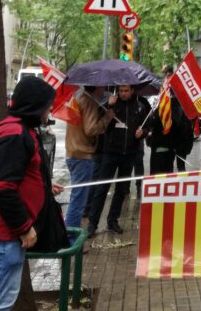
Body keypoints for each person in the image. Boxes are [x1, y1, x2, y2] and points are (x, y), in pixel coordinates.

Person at [0, 76, 62, 311]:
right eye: (47, 105)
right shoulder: (14, 134)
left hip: (4, 235)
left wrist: (43, 185)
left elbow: (16, 175)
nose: (49, 110)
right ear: (34, 106)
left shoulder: (20, 130)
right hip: (4, 235)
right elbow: (0, 189)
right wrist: (24, 227)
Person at [87, 84, 149, 236]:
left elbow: (146, 127)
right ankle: (92, 223)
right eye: (121, 90)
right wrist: (109, 105)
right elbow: (99, 122)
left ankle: (112, 220)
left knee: (121, 190)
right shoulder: (111, 104)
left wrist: (143, 133)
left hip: (129, 154)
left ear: (132, 91)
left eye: (126, 91)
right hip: (110, 152)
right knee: (102, 188)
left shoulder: (140, 107)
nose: (123, 93)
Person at [64, 85, 113, 228]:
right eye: (102, 87)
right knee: (78, 203)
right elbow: (91, 129)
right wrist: (106, 118)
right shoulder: (89, 101)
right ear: (97, 87)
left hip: (73, 152)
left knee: (76, 198)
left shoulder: (78, 98)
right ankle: (71, 240)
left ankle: (70, 236)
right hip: (82, 155)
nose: (104, 90)